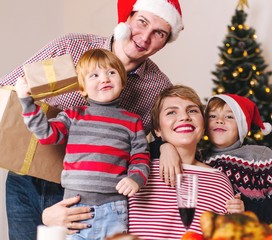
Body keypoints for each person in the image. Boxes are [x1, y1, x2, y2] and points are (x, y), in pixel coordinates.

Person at [0, 0, 184, 239]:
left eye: (159, 33)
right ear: (127, 18)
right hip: (26, 177)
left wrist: (167, 146)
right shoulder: (72, 47)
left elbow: (145, 146)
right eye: (142, 22)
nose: (145, 37)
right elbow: (9, 89)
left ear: (165, 42)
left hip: (89, 197)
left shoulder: (157, 87)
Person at [43, 85, 243, 239]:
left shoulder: (219, 181)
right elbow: (92, 214)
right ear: (157, 130)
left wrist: (238, 219)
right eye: (171, 112)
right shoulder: (133, 174)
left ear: (203, 123)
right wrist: (48, 218)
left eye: (192, 111)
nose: (184, 117)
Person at [15, 48, 150, 239]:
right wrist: (27, 102)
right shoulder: (73, 115)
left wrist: (135, 178)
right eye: (94, 75)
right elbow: (46, 134)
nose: (104, 79)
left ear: (122, 81)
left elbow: (140, 157)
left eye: (111, 72)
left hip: (114, 210)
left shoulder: (132, 121)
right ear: (82, 89)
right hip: (74, 210)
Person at [203, 94, 272, 224]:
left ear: (241, 126)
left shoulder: (261, 157)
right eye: (212, 116)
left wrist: (247, 209)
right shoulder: (198, 158)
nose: (219, 120)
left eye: (229, 116)